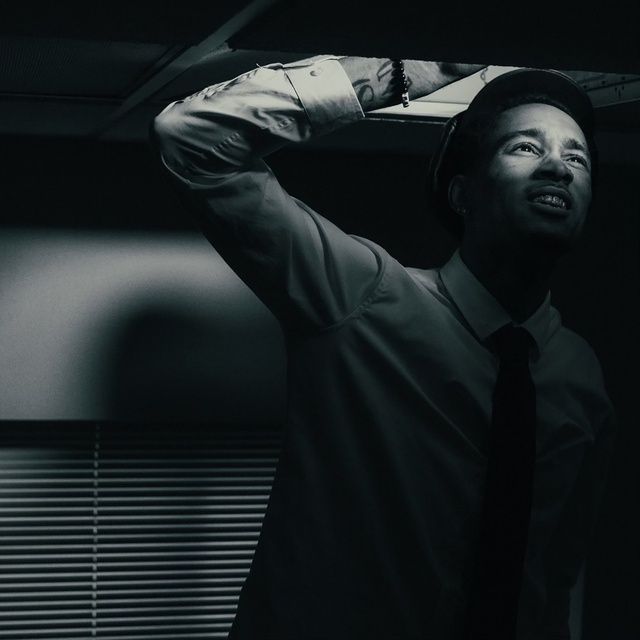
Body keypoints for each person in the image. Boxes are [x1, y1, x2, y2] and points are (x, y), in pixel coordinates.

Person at [151, 53, 616, 639]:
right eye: (525, 147)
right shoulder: (361, 297)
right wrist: (410, 70)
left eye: (576, 158)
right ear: (462, 194)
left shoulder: (580, 377)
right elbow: (191, 139)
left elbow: (553, 584)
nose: (557, 168)